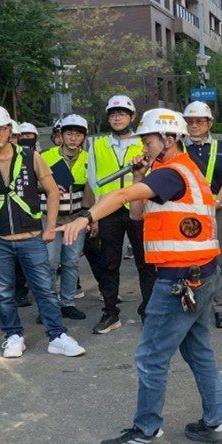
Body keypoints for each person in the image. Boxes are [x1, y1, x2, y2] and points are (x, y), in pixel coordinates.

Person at [60, 109, 222, 444]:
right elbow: (137, 214)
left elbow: (120, 198)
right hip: (199, 274)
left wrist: (85, 216)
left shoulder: (171, 173)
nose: (144, 146)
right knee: (198, 351)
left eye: (148, 140)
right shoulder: (176, 171)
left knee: (151, 356)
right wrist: (140, 175)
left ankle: (147, 432)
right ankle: (217, 424)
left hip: (180, 279)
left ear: (169, 139)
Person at [0, 104, 85, 359]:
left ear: (9, 130)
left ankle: (57, 336)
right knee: (4, 293)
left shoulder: (30, 156)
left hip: (31, 237)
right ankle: (13, 336)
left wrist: (50, 226)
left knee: (45, 289)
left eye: (0, 128)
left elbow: (53, 191)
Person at [85, 94, 156, 334]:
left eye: (122, 114)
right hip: (109, 210)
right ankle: (110, 312)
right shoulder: (97, 145)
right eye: (113, 114)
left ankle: (148, 310)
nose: (117, 118)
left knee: (145, 262)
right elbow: (93, 181)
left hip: (138, 207)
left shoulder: (143, 144)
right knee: (109, 262)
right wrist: (95, 214)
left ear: (132, 117)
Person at [182, 102, 222, 328]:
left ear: (209, 123)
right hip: (185, 210)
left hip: (217, 208)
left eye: (199, 121)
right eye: (190, 121)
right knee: (189, 259)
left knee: (219, 257)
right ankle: (193, 306)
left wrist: (217, 202)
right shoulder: (179, 148)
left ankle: (221, 307)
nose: (194, 125)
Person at [40, 114, 90, 321]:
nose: (73, 138)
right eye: (69, 133)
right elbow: (31, 183)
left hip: (76, 219)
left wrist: (90, 217)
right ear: (61, 135)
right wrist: (45, 187)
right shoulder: (45, 157)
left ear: (83, 137)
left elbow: (91, 189)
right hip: (49, 219)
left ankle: (67, 303)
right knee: (49, 262)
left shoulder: (88, 159)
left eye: (78, 134)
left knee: (71, 262)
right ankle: (48, 305)